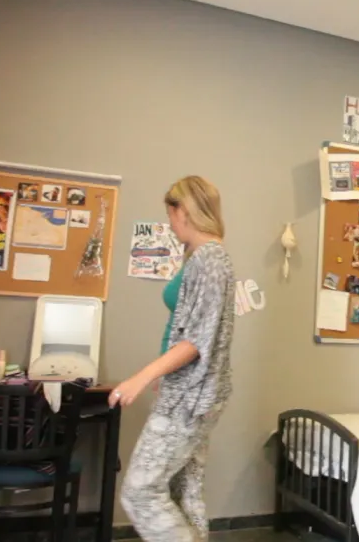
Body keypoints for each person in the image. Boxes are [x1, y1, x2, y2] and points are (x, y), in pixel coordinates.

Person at [112, 176, 235, 542]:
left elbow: (196, 339)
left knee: (140, 491)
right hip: (188, 390)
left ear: (186, 210)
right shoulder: (200, 258)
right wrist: (165, 378)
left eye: (171, 214)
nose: (169, 223)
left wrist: (141, 376)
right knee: (185, 488)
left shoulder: (211, 261)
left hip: (192, 396)